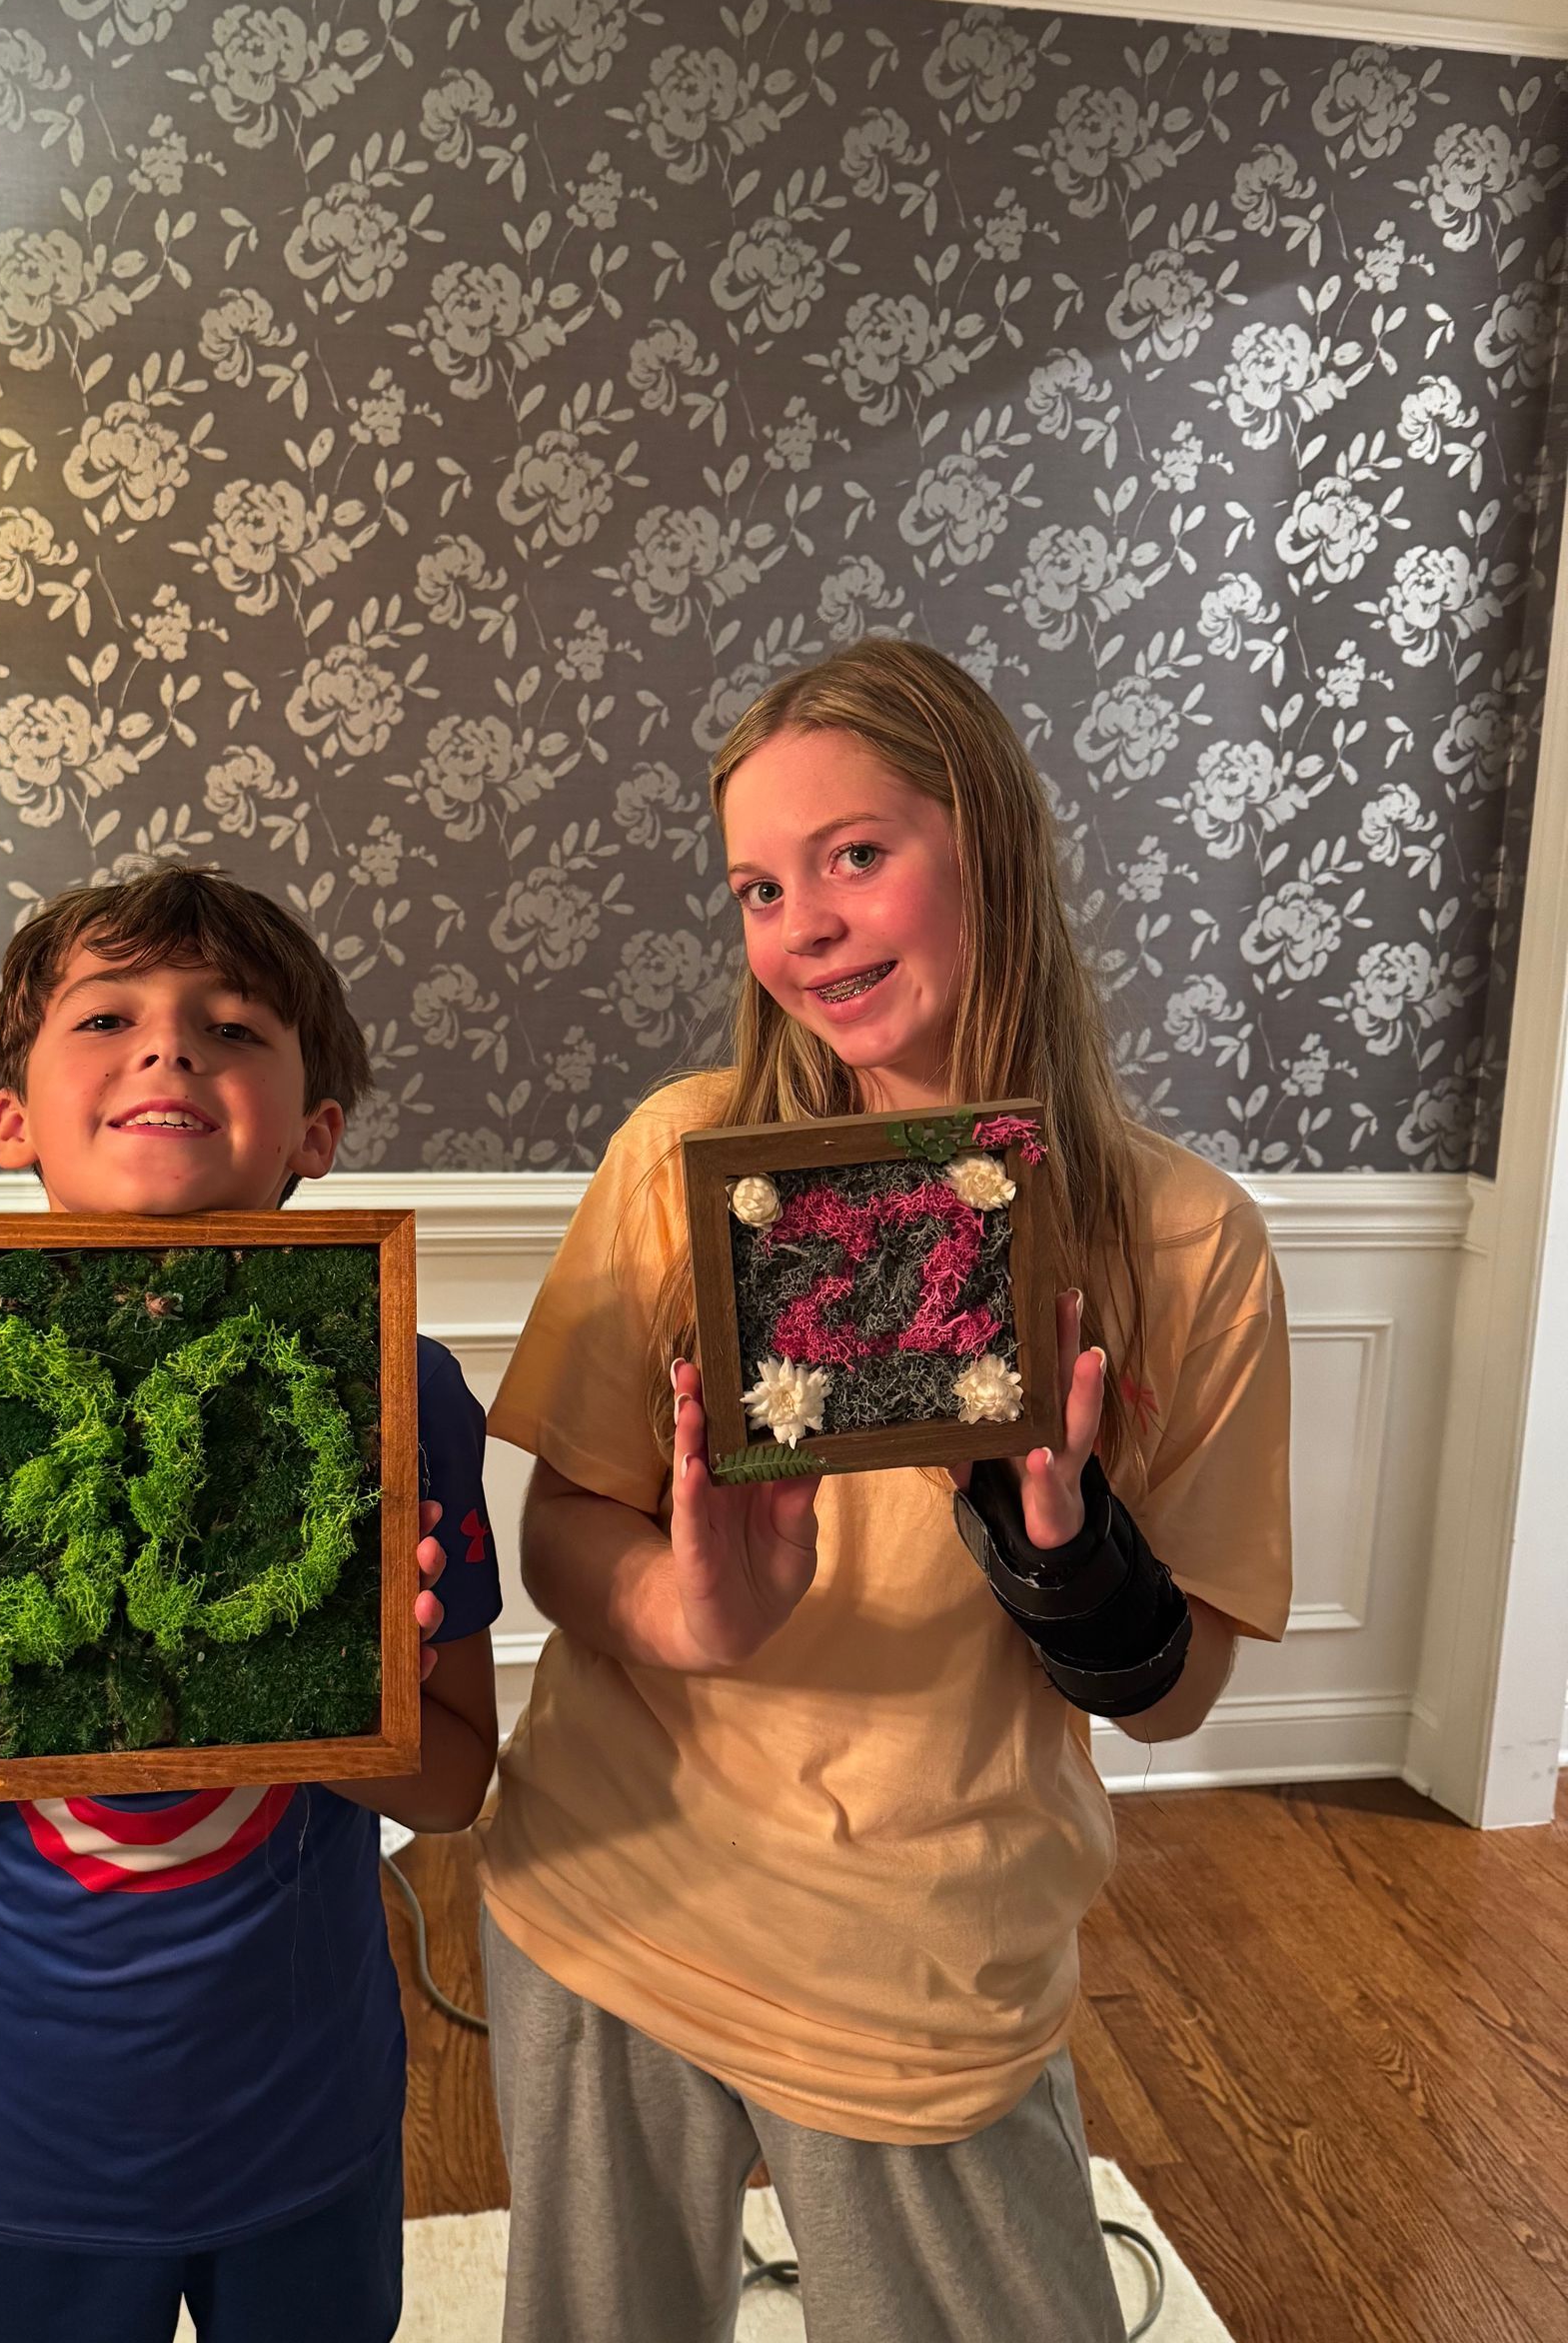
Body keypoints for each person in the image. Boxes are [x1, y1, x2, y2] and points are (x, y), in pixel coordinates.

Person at [479, 637, 1291, 2343]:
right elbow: (563, 1531)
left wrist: (1066, 1562)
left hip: (918, 1965)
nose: (807, 930)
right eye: (762, 888)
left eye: (855, 856)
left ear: (989, 839)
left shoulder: (1185, 1242)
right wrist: (681, 1610)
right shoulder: (679, 1158)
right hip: (612, 1885)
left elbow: (1179, 1687)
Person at [0, 867, 501, 2343]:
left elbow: (450, 1790)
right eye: (107, 1018)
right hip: (36, 2131)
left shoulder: (399, 1388)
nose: (170, 1050)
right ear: (13, 1122)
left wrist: (348, 1669)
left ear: (317, 1131)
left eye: (233, 1028)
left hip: (306, 2116)